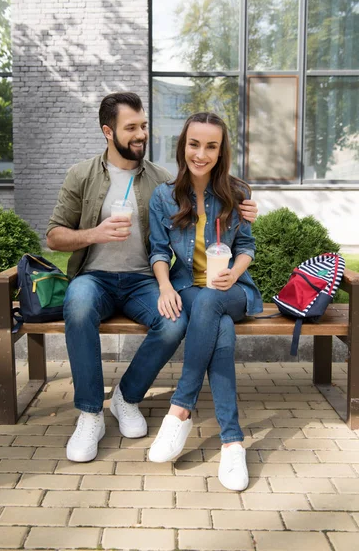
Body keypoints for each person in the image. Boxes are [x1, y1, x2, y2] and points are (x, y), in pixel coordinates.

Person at [46, 92, 259, 463]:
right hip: (93, 277)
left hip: (141, 280)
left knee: (174, 322)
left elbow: (223, 217)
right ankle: (91, 413)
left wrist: (246, 208)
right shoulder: (81, 175)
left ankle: (127, 398)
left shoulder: (162, 182)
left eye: (144, 126)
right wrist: (94, 233)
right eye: (132, 128)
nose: (141, 134)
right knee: (77, 305)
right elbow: (53, 236)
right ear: (108, 132)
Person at [147, 112, 263, 491]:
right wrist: (165, 287)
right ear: (183, 146)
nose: (201, 153)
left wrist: (234, 269)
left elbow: (246, 246)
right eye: (194, 144)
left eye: (211, 146)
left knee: (216, 302)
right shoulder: (164, 196)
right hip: (192, 291)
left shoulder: (236, 193)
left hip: (234, 290)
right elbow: (159, 252)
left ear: (220, 150)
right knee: (220, 329)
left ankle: (180, 411)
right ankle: (232, 442)